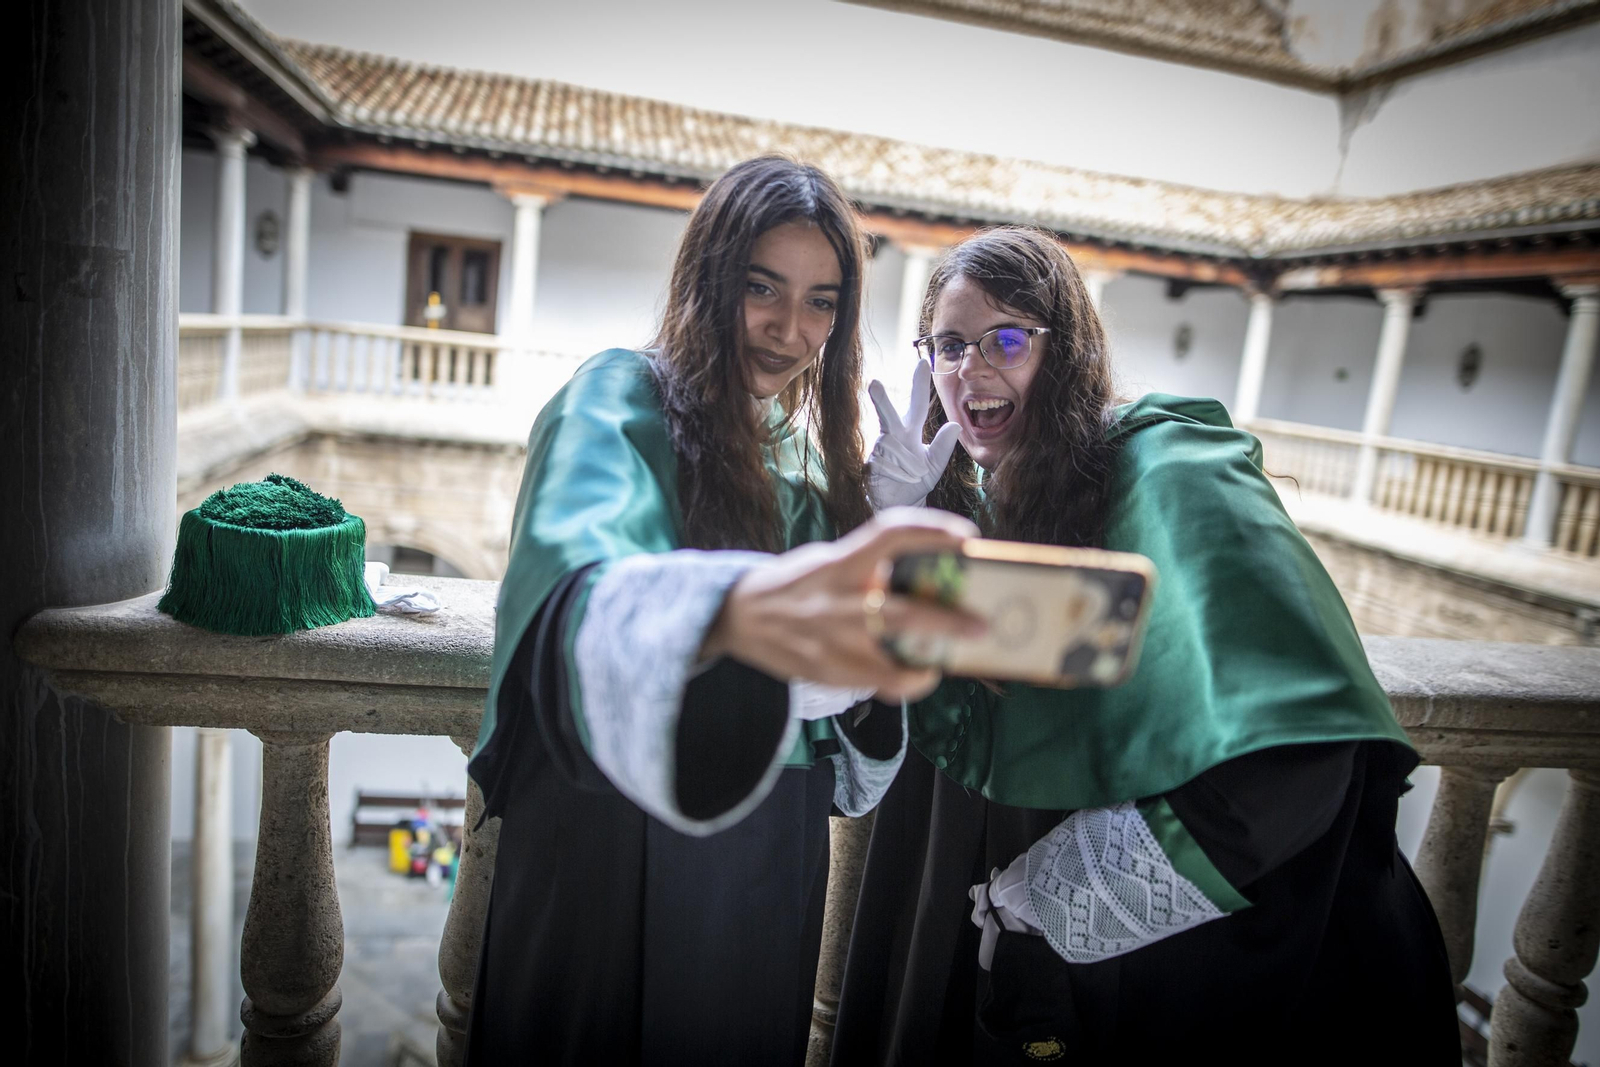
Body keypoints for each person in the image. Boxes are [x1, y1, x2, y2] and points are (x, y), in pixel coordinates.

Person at [833, 227, 1460, 1064]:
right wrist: (893, 526)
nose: (969, 369)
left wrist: (1069, 888)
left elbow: (1299, 751)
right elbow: (978, 683)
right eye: (948, 344)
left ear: (1069, 350)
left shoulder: (1173, 469)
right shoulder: (998, 490)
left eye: (1007, 339)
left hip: (1232, 963)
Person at [462, 156, 980, 1066]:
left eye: (823, 301)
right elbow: (575, 563)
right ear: (707, 278)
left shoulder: (814, 464)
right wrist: (725, 613)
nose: (790, 330)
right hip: (608, 827)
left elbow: (861, 661)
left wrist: (887, 527)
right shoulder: (617, 397)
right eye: (760, 287)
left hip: (768, 842)